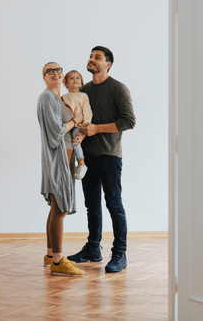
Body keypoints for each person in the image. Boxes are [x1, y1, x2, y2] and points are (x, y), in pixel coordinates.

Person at [67, 46, 136, 273]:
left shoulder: (118, 88)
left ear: (108, 64)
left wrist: (96, 129)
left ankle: (119, 254)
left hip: (109, 156)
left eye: (97, 57)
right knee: (92, 206)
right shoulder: (83, 90)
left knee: (114, 205)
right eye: (90, 56)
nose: (92, 60)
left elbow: (128, 121)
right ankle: (93, 249)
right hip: (87, 158)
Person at [37, 62, 84, 277]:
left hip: (64, 160)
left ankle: (49, 255)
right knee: (60, 209)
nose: (55, 73)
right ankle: (57, 260)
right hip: (57, 160)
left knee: (56, 207)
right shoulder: (47, 98)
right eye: (50, 71)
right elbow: (56, 132)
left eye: (58, 70)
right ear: (44, 77)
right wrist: (74, 122)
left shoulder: (58, 99)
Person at [62, 70, 92, 180]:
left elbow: (87, 111)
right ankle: (71, 163)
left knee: (75, 140)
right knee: (67, 144)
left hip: (79, 125)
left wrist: (86, 126)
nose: (75, 80)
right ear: (65, 83)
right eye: (71, 78)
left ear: (82, 82)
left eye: (77, 78)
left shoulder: (83, 96)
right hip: (68, 124)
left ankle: (81, 163)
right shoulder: (63, 97)